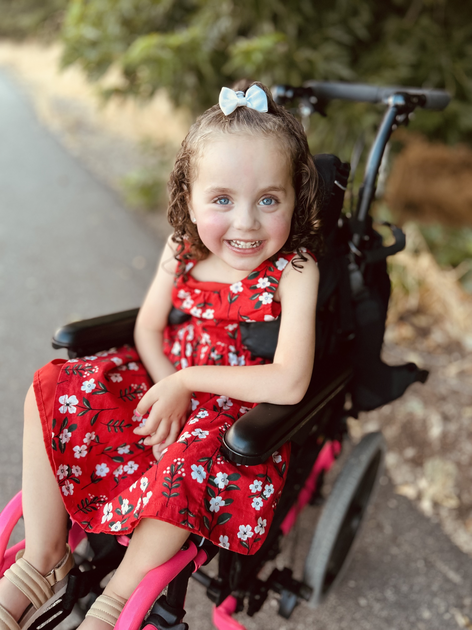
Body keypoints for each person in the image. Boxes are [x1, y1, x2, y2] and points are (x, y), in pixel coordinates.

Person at [0, 82, 320, 630]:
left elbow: (290, 382)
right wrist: (168, 385)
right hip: (164, 376)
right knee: (54, 384)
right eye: (222, 200)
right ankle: (42, 558)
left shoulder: (295, 270)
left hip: (237, 405)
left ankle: (116, 602)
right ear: (189, 199)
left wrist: (189, 384)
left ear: (296, 198)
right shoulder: (182, 247)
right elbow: (148, 329)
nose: (246, 222)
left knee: (193, 457)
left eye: (269, 199)